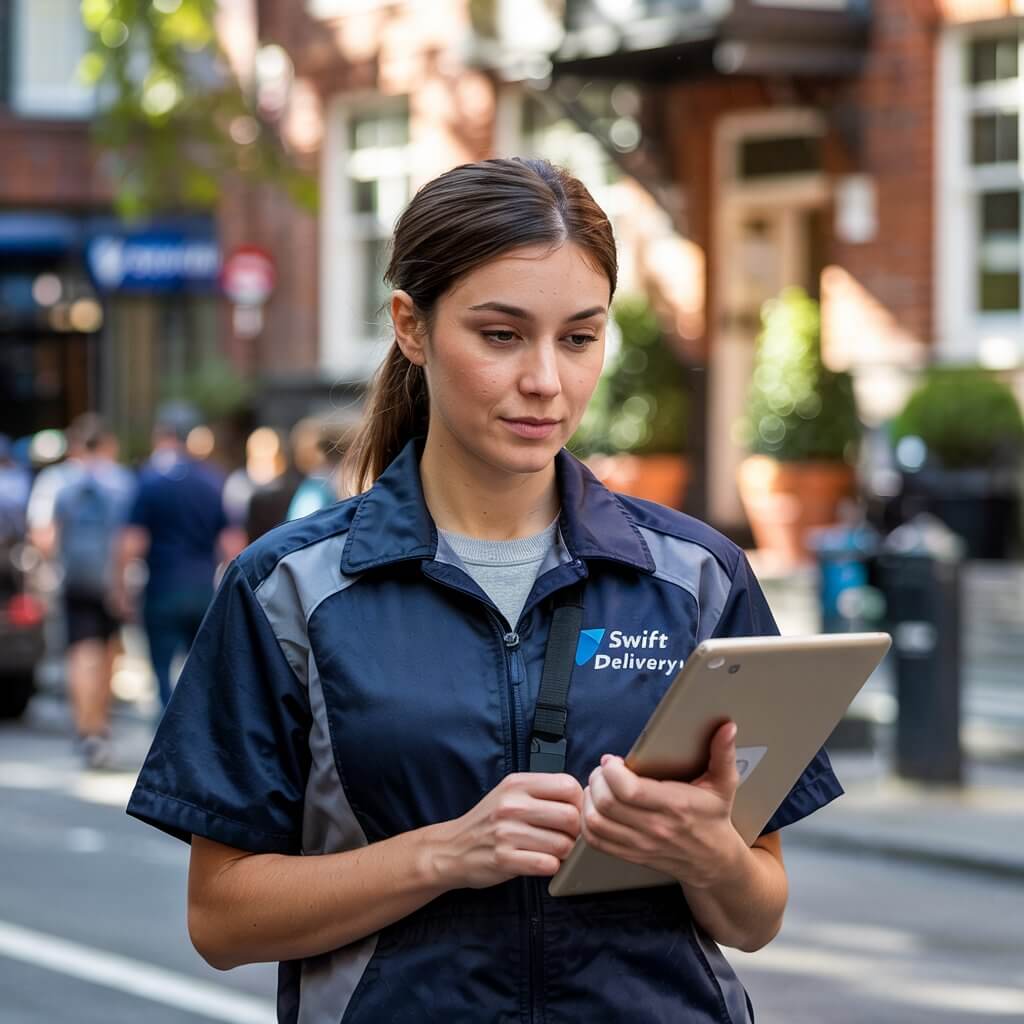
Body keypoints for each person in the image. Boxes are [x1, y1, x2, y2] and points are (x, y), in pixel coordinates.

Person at [126, 158, 842, 1023]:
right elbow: (221, 918)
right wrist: (447, 853)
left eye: (579, 338)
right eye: (502, 335)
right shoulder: (288, 587)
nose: (547, 380)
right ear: (411, 326)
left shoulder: (696, 576)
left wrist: (708, 856)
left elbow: (757, 914)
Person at [112, 404, 244, 710]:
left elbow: (133, 542)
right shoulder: (212, 480)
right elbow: (232, 542)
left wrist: (120, 587)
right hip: (201, 588)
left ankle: (166, 733)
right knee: (200, 670)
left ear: (162, 434)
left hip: (161, 586)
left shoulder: (148, 480)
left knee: (161, 669)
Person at [46, 415, 135, 769]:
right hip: (110, 579)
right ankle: (100, 725)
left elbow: (47, 536)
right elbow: (127, 538)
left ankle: (85, 729)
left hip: (74, 578)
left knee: (79, 653)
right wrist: (121, 584)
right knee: (109, 652)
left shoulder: (62, 481)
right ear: (109, 444)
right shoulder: (123, 482)